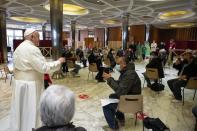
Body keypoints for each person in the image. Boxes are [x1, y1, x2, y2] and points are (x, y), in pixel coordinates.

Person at [10, 29, 65, 131]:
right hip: (31, 86)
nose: (39, 40)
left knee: (21, 110)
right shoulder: (32, 49)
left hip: (20, 84)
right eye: (38, 37)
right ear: (32, 37)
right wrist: (58, 62)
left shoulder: (18, 48)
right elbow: (44, 68)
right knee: (32, 109)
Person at [102, 57, 141, 130]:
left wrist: (110, 79)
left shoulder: (130, 74)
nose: (118, 65)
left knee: (106, 106)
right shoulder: (126, 72)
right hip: (130, 97)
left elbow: (120, 92)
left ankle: (114, 128)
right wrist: (110, 78)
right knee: (112, 96)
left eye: (119, 64)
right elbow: (121, 85)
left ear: (124, 64)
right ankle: (121, 119)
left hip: (133, 101)